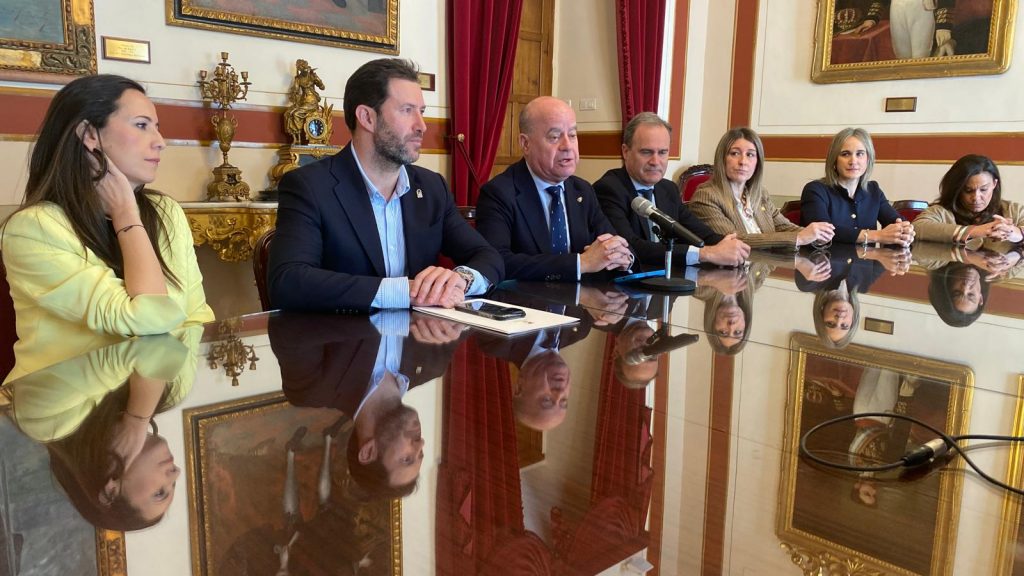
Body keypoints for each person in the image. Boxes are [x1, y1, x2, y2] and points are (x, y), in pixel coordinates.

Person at [0, 74, 214, 384]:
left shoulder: (166, 213)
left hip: (147, 397)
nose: (160, 141)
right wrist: (126, 215)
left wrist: (167, 406)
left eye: (157, 127)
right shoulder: (32, 230)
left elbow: (196, 320)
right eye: (142, 125)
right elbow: (151, 318)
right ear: (89, 134)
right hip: (59, 418)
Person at [268, 58, 503, 313]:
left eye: (421, 112)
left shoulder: (432, 187)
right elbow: (288, 281)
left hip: (420, 344)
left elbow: (488, 256)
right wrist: (405, 291)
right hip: (343, 346)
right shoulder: (309, 186)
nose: (421, 126)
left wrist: (461, 279)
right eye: (407, 110)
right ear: (367, 117)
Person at [10, 331, 198, 531]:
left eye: (160, 493)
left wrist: (137, 421)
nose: (176, 474)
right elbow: (190, 313)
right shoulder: (175, 391)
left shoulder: (43, 421)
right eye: (173, 486)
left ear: (109, 492)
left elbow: (155, 349)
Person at [476, 96, 634, 281]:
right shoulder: (499, 193)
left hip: (582, 304)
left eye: (573, 135)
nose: (567, 146)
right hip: (526, 304)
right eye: (554, 137)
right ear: (525, 144)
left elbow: (614, 243)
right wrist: (580, 263)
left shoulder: (582, 190)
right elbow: (496, 261)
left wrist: (624, 258)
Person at [592, 113, 750, 267]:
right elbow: (632, 248)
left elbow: (702, 234)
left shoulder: (667, 189)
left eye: (662, 152)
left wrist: (730, 246)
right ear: (626, 152)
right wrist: (706, 254)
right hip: (625, 287)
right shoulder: (609, 189)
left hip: (669, 281)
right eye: (646, 152)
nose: (655, 161)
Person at [689, 127, 835, 250]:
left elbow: (784, 226)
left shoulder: (760, 194)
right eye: (735, 153)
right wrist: (799, 238)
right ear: (722, 159)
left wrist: (816, 236)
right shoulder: (706, 196)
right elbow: (733, 241)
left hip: (760, 272)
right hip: (727, 276)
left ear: (757, 162)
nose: (743, 162)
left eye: (750, 155)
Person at [801, 127, 914, 247]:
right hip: (823, 263)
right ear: (834, 160)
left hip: (866, 265)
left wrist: (904, 230)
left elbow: (894, 220)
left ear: (868, 159)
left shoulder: (873, 190)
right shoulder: (815, 190)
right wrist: (876, 235)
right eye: (845, 154)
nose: (853, 161)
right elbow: (822, 233)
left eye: (860, 154)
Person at [914, 154, 1024, 246]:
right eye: (968, 190)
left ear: (994, 184)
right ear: (957, 188)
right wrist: (974, 231)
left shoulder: (1012, 210)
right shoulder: (941, 212)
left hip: (998, 271)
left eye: (983, 189)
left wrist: (1016, 233)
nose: (976, 197)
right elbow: (917, 228)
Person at [852, 0, 956, 58]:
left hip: (923, 9)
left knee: (920, 57)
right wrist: (871, 18)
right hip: (897, 9)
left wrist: (944, 25)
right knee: (902, 56)